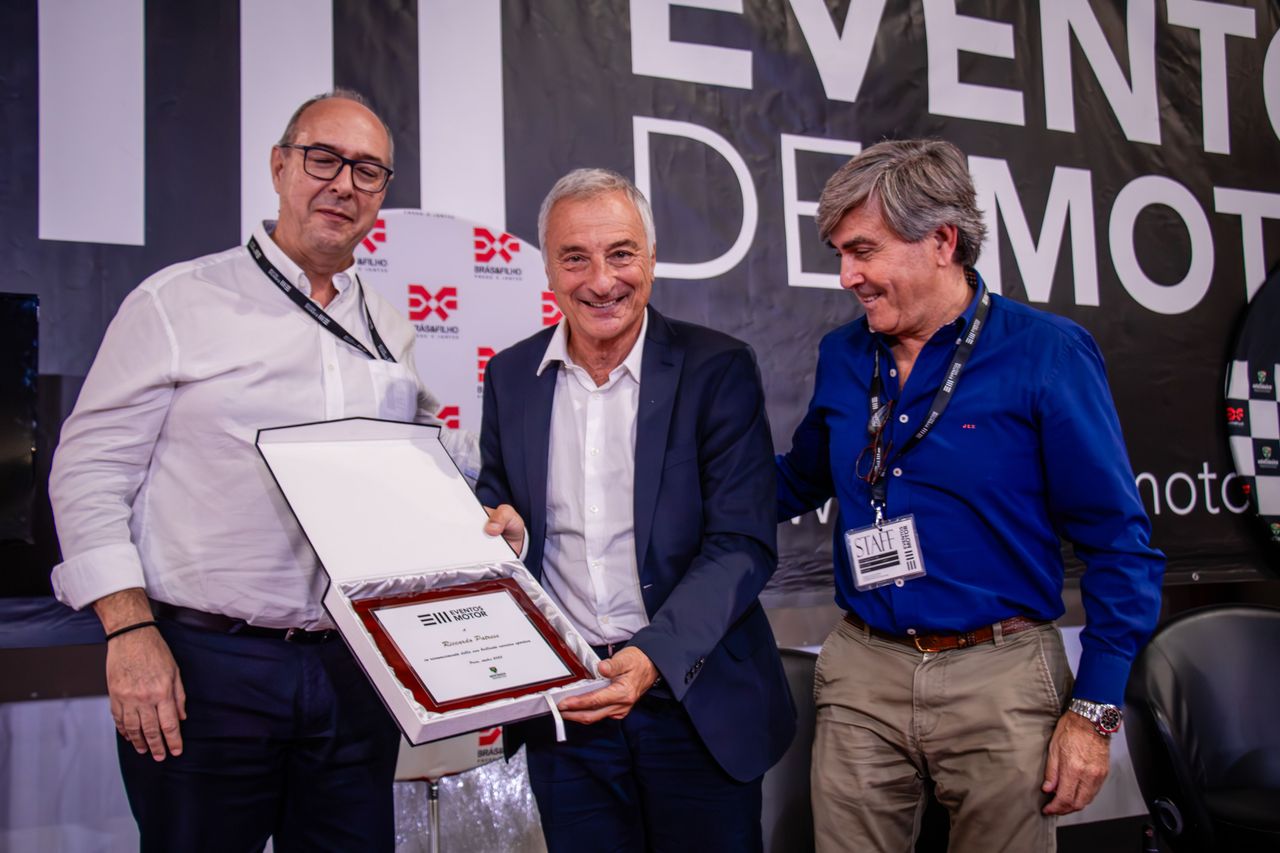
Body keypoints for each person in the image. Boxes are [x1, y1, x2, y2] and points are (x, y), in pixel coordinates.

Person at [49, 89, 472, 852]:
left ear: (383, 193)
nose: (343, 184)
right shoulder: (178, 301)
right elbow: (88, 470)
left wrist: (483, 510)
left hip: (354, 668)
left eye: (368, 171)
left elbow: (424, 461)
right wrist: (130, 629)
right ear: (279, 166)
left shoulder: (388, 323)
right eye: (323, 159)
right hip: (208, 669)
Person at [776, 139, 1164, 852]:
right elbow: (798, 478)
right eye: (840, 253)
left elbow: (1120, 546)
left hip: (1001, 673)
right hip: (864, 668)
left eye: (863, 251)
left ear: (942, 241)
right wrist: (673, 490)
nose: (846, 275)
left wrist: (1094, 710)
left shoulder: (1047, 353)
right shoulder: (843, 354)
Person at [477, 168, 795, 852]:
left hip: (696, 696)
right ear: (547, 269)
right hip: (569, 709)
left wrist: (654, 655)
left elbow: (742, 542)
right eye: (575, 258)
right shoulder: (510, 377)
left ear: (650, 258)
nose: (601, 281)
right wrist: (508, 534)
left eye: (620, 253)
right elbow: (500, 505)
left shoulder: (718, 369)